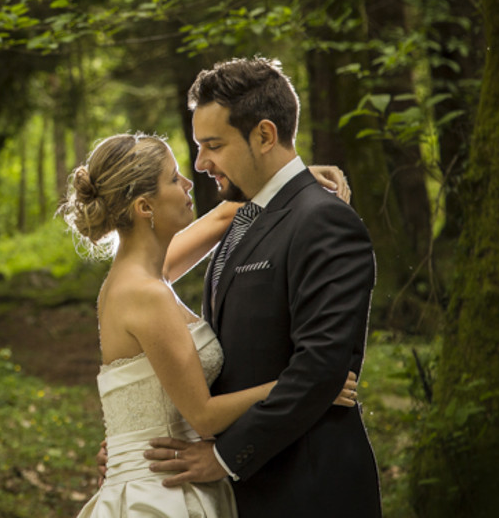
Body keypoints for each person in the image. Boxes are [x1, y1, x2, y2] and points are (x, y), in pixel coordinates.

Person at [61, 132, 359, 518]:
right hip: (160, 492)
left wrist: (293, 182)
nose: (188, 183)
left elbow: (225, 214)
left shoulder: (146, 274)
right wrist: (312, 386)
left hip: (171, 476)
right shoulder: (144, 293)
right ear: (144, 206)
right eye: (174, 178)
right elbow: (202, 415)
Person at [141, 57, 382, 518]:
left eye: (213, 145)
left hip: (309, 488)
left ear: (265, 136)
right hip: (250, 493)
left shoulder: (325, 220)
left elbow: (321, 366)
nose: (200, 163)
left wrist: (224, 457)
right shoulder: (245, 216)